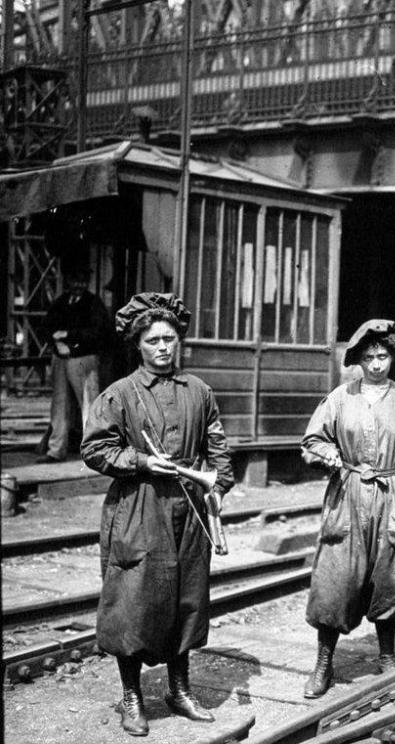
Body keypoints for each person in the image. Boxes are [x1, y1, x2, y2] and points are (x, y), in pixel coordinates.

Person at [81, 292, 234, 737]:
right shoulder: (120, 394)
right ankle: (132, 698)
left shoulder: (199, 392)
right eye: (153, 340)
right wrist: (143, 462)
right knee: (133, 601)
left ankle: (179, 688)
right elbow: (94, 448)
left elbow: (217, 447)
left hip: (188, 510)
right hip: (138, 507)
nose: (164, 347)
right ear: (138, 344)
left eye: (170, 338)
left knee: (186, 599)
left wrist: (218, 487)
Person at [300, 319, 395, 698]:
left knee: (391, 573)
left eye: (384, 356)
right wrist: (327, 453)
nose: (377, 364)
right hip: (348, 493)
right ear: (358, 360)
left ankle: (387, 656)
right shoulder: (340, 398)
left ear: (392, 357)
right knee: (335, 576)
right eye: (370, 357)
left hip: (392, 492)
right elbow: (312, 440)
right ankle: (324, 663)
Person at [39, 263, 114, 462]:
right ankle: (56, 450)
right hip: (61, 358)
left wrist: (69, 339)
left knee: (89, 404)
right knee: (59, 404)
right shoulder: (61, 302)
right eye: (74, 280)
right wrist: (58, 345)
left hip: (83, 358)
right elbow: (47, 328)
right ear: (68, 281)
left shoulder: (93, 303)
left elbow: (98, 333)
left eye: (82, 281)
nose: (78, 285)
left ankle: (94, 450)